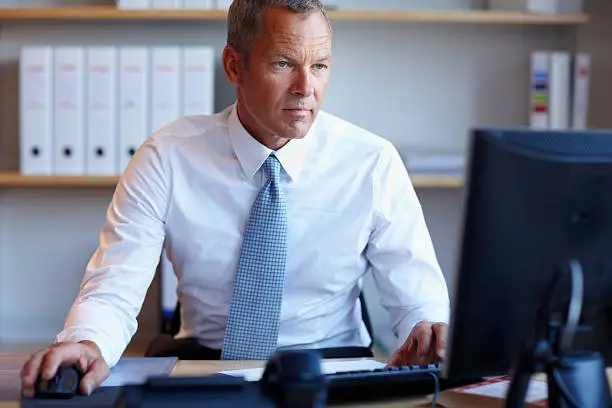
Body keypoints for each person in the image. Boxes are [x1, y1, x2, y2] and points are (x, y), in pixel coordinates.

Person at [20, 0, 450, 398]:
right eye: (284, 63)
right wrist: (86, 341)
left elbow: (417, 298)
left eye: (319, 66)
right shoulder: (167, 157)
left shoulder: (372, 162)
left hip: (332, 367)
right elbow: (115, 285)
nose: (306, 88)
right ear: (234, 66)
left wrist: (428, 331)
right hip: (206, 366)